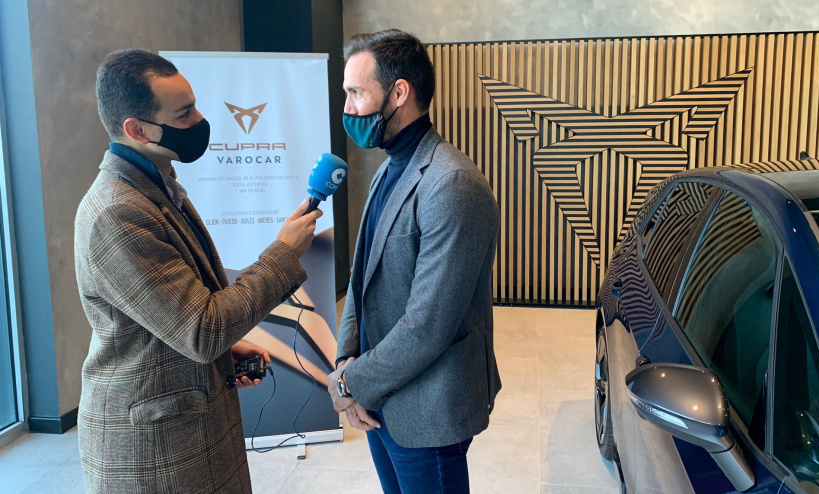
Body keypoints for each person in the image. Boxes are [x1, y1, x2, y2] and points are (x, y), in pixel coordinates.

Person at [74, 49, 321, 494]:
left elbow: (175, 314)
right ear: (137, 130)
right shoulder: (118, 214)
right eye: (184, 113)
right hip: (156, 449)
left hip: (186, 421)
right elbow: (202, 330)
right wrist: (283, 254)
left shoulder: (157, 188)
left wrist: (227, 351)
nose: (201, 120)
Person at [326, 30, 501, 493]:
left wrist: (349, 383)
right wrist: (346, 361)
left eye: (356, 93)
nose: (348, 108)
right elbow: (360, 277)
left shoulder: (453, 184)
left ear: (399, 92)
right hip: (377, 395)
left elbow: (428, 326)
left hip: (427, 408)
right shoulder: (388, 169)